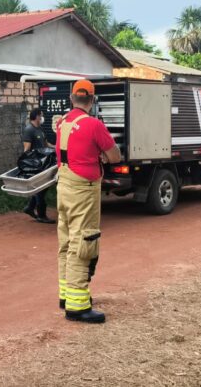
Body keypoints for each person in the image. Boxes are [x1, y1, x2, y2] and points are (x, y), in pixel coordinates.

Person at [56, 80, 121, 323]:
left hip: (64, 185)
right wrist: (101, 155)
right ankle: (77, 305)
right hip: (84, 190)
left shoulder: (62, 122)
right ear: (92, 100)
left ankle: (66, 295)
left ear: (71, 98)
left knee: (66, 241)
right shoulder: (94, 125)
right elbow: (115, 156)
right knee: (83, 243)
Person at [22, 108, 56, 224]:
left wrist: (56, 147)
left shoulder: (39, 129)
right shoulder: (29, 130)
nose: (42, 117)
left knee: (43, 187)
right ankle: (41, 215)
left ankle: (30, 208)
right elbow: (26, 148)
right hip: (35, 164)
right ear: (37, 116)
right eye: (41, 115)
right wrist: (26, 163)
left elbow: (46, 144)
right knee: (40, 188)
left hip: (43, 162)